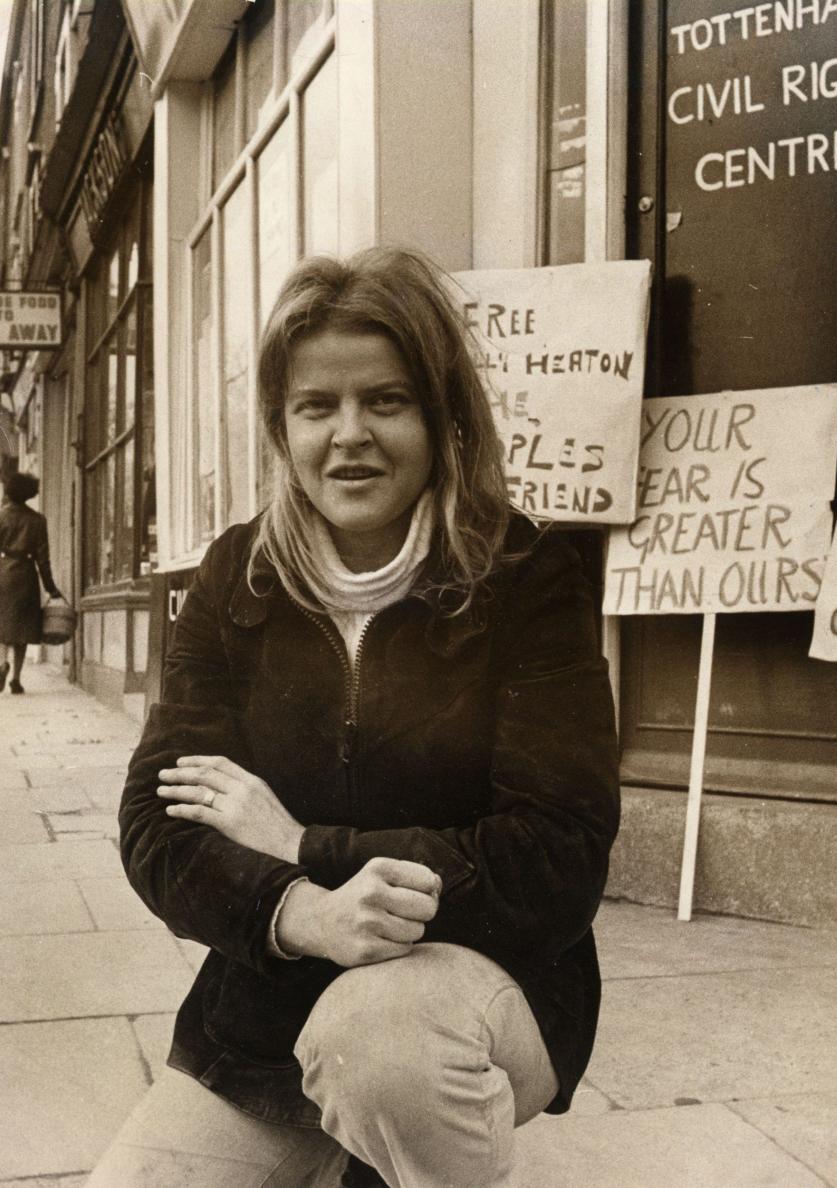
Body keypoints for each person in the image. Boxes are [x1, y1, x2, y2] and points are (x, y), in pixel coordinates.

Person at [89, 247, 620, 1188]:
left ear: (441, 413)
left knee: (378, 1049)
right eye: (316, 407)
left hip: (482, 985)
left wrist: (307, 846)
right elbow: (158, 827)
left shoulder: (525, 575)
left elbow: (558, 853)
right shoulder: (236, 575)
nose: (351, 436)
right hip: (268, 1008)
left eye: (386, 401)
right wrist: (303, 913)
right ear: (279, 425)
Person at [0, 471, 62, 694]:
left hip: (3, 573)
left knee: (3, 625)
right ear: (29, 492)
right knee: (22, 628)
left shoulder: (1, 516)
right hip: (26, 576)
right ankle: (16, 678)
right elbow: (43, 558)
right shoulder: (37, 520)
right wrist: (51, 588)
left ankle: (1, 663)